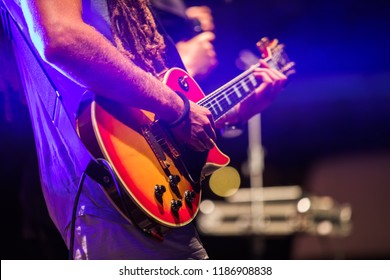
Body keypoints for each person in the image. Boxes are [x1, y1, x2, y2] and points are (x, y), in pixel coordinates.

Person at [9, 0, 287, 259]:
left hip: (142, 184)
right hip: (106, 187)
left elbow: (155, 117)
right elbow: (61, 37)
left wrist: (231, 113)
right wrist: (178, 109)